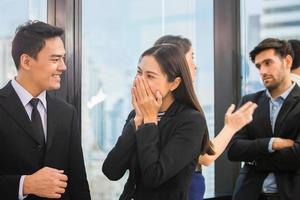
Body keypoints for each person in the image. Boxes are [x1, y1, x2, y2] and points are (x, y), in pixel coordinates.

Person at [102, 44, 256, 200]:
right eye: (139, 72)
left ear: (174, 83)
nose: (139, 80)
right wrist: (137, 121)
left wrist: (149, 121)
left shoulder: (191, 121)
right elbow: (111, 171)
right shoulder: (135, 115)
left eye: (150, 76)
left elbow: (154, 177)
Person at [154, 35, 257, 200]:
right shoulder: (183, 113)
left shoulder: (156, 106)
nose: (195, 66)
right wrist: (231, 127)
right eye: (192, 57)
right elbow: (205, 156)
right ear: (177, 63)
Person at [0, 21, 91, 199]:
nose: (63, 67)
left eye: (63, 58)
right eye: (55, 59)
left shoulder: (67, 113)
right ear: (26, 61)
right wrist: (24, 184)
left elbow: (78, 183)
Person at [227, 38, 300, 200]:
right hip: (249, 194)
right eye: (259, 66)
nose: (262, 71)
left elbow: (298, 155)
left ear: (287, 61)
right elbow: (233, 149)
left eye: (268, 63)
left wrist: (256, 160)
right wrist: (271, 143)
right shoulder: (249, 101)